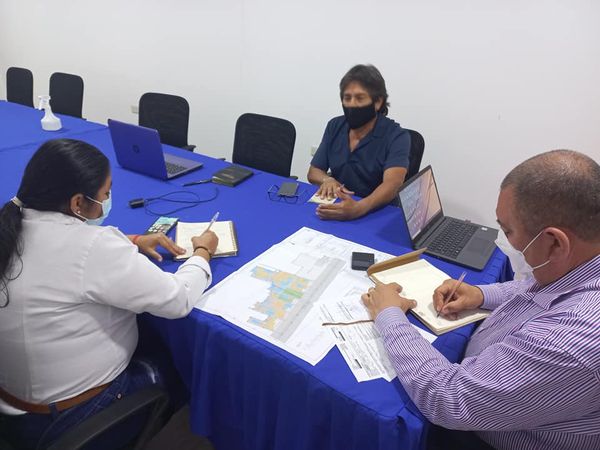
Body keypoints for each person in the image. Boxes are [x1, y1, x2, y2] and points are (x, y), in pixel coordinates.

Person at [361, 150, 600, 450]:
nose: (505, 241)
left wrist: (388, 314)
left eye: (508, 231)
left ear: (555, 243)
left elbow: (448, 397)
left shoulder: (572, 342)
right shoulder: (581, 261)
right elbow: (539, 287)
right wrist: (481, 294)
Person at [0, 139, 218, 449]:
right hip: (70, 417)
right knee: (183, 362)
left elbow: (61, 256)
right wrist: (202, 252)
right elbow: (178, 299)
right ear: (78, 203)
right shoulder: (93, 246)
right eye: (105, 194)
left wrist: (133, 240)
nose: (108, 200)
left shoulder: (10, 225)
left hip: (12, 408)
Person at [307, 64, 411, 220]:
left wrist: (360, 208)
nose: (352, 104)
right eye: (347, 98)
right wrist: (327, 179)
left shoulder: (397, 136)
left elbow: (392, 184)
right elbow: (314, 171)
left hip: (375, 212)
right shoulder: (335, 126)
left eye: (360, 98)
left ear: (377, 102)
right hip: (338, 205)